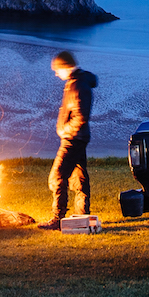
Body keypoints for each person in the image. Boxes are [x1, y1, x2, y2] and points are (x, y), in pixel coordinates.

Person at [38, 51, 97, 230]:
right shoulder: (76, 82)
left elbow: (81, 117)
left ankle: (57, 218)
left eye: (57, 70)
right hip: (78, 137)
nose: (56, 74)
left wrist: (64, 130)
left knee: (57, 176)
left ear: (65, 67)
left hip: (73, 138)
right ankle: (81, 214)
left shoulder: (78, 85)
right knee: (79, 176)